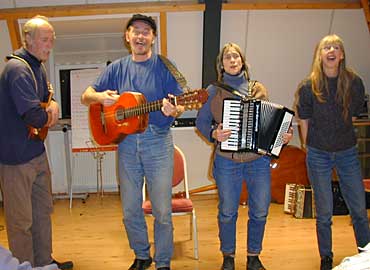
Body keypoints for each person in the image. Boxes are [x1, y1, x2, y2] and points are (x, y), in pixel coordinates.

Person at [80, 14, 185, 270]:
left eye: (146, 31)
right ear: (127, 36)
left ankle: (162, 262)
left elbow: (181, 102)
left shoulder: (164, 66)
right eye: (135, 31)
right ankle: (141, 255)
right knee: (130, 209)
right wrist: (99, 96)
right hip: (126, 143)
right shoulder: (117, 67)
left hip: (157, 142)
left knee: (161, 210)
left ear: (153, 38)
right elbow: (86, 96)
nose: (140, 36)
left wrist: (176, 110)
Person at [195, 42, 292, 270]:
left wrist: (282, 138)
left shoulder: (258, 88)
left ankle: (253, 256)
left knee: (260, 209)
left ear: (242, 61)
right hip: (227, 161)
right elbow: (201, 122)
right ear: (221, 64)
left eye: (235, 56)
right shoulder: (213, 90)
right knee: (228, 211)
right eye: (227, 57)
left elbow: (271, 123)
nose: (232, 60)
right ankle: (228, 256)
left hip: (257, 160)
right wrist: (214, 133)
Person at [0, 15, 73, 270]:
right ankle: (25, 266)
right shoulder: (18, 69)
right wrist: (51, 111)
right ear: (27, 39)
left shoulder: (37, 66)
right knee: (21, 222)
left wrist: (49, 106)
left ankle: (44, 263)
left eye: (52, 40)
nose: (49, 46)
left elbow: (45, 100)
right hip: (15, 159)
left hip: (35, 152)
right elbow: (34, 115)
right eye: (44, 40)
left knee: (42, 213)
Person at [295, 34, 370, 270]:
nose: (331, 50)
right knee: (324, 211)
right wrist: (308, 147)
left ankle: (365, 253)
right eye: (326, 47)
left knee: (358, 207)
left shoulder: (354, 82)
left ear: (342, 55)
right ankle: (326, 257)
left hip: (347, 151)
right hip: (318, 153)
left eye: (336, 47)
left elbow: (356, 114)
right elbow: (303, 119)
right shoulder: (308, 86)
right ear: (320, 54)